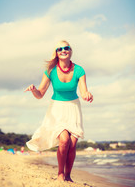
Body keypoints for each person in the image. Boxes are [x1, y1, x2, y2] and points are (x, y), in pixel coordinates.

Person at [25, 40, 93, 182]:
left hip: (73, 108)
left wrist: (87, 94)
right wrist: (34, 90)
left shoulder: (79, 70)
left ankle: (68, 175)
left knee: (73, 144)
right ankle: (60, 174)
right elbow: (40, 94)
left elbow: (83, 91)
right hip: (57, 108)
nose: (63, 50)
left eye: (66, 48)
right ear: (56, 53)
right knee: (64, 140)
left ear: (70, 51)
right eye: (60, 48)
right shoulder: (50, 71)